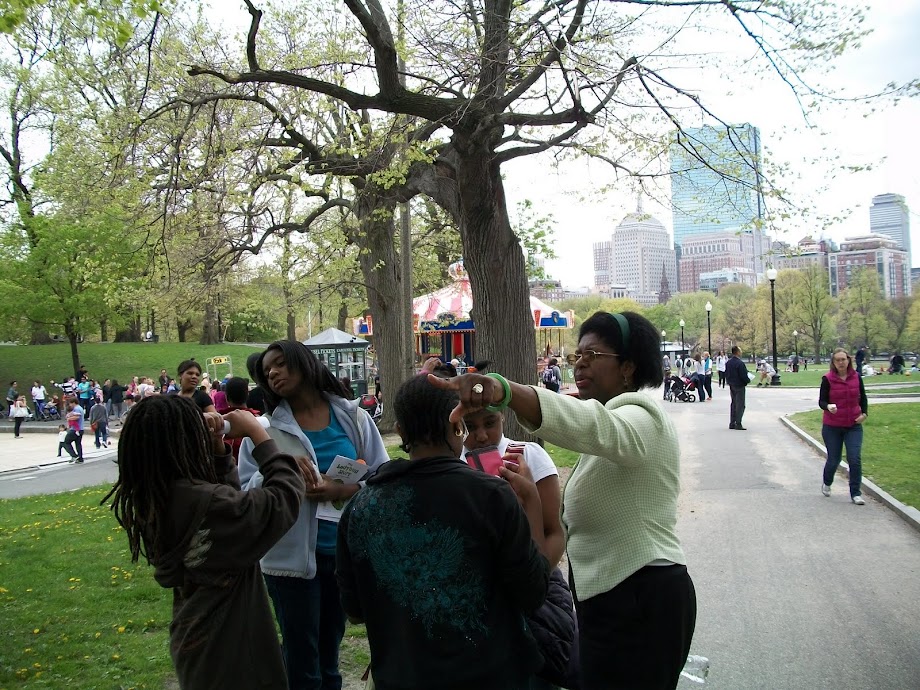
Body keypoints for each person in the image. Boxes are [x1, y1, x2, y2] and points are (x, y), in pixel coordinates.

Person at [429, 311, 696, 690]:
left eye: (593, 355)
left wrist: (504, 390)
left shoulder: (643, 416)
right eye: (577, 356)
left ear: (629, 367)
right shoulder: (606, 433)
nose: (580, 364)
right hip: (607, 604)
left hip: (642, 600)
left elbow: (592, 425)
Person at [336, 373, 550, 690]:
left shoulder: (360, 508)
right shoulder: (491, 496)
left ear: (400, 431)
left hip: (402, 675)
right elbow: (533, 593)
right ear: (457, 426)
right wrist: (530, 502)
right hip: (491, 674)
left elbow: (354, 612)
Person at [101, 395, 307, 689]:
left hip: (198, 639)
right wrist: (259, 434)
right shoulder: (208, 503)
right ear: (183, 441)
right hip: (234, 653)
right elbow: (282, 499)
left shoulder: (161, 495)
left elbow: (228, 506)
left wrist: (218, 452)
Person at [238, 340, 389, 690]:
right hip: (289, 562)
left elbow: (382, 477)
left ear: (304, 363)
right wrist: (279, 470)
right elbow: (245, 494)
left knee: (329, 657)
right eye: (266, 371)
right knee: (302, 663)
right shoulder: (264, 431)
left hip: (341, 555)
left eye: (280, 364)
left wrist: (344, 490)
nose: (273, 373)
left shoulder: (353, 418)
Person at [819, 348, 868, 505]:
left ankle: (855, 493)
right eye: (837, 360)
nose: (841, 362)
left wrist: (865, 414)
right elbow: (822, 401)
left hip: (853, 425)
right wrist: (828, 407)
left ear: (849, 360)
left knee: (854, 458)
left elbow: (863, 398)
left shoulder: (856, 377)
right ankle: (827, 482)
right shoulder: (827, 379)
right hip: (832, 426)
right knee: (834, 459)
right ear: (833, 363)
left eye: (843, 359)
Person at [725, 346, 750, 431]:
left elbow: (727, 374)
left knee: (734, 403)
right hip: (739, 385)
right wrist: (747, 380)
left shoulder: (728, 363)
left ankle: (732, 422)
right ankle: (738, 423)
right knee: (740, 405)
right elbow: (743, 375)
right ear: (737, 352)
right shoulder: (740, 363)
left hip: (732, 385)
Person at [63, 397, 86, 463]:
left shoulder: (76, 408)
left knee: (66, 442)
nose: (70, 405)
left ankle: (74, 456)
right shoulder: (80, 408)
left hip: (74, 429)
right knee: (78, 444)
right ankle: (80, 458)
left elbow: (77, 417)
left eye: (70, 403)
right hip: (80, 429)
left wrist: (69, 418)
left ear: (73, 403)